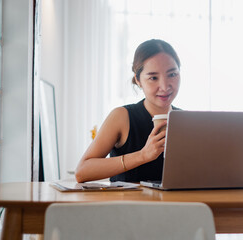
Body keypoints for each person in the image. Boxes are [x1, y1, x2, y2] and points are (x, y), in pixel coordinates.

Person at [75, 39, 181, 183]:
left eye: (172, 74)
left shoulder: (185, 120)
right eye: (153, 78)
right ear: (138, 80)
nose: (164, 86)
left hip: (175, 205)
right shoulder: (121, 116)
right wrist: (143, 155)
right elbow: (82, 171)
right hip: (127, 205)